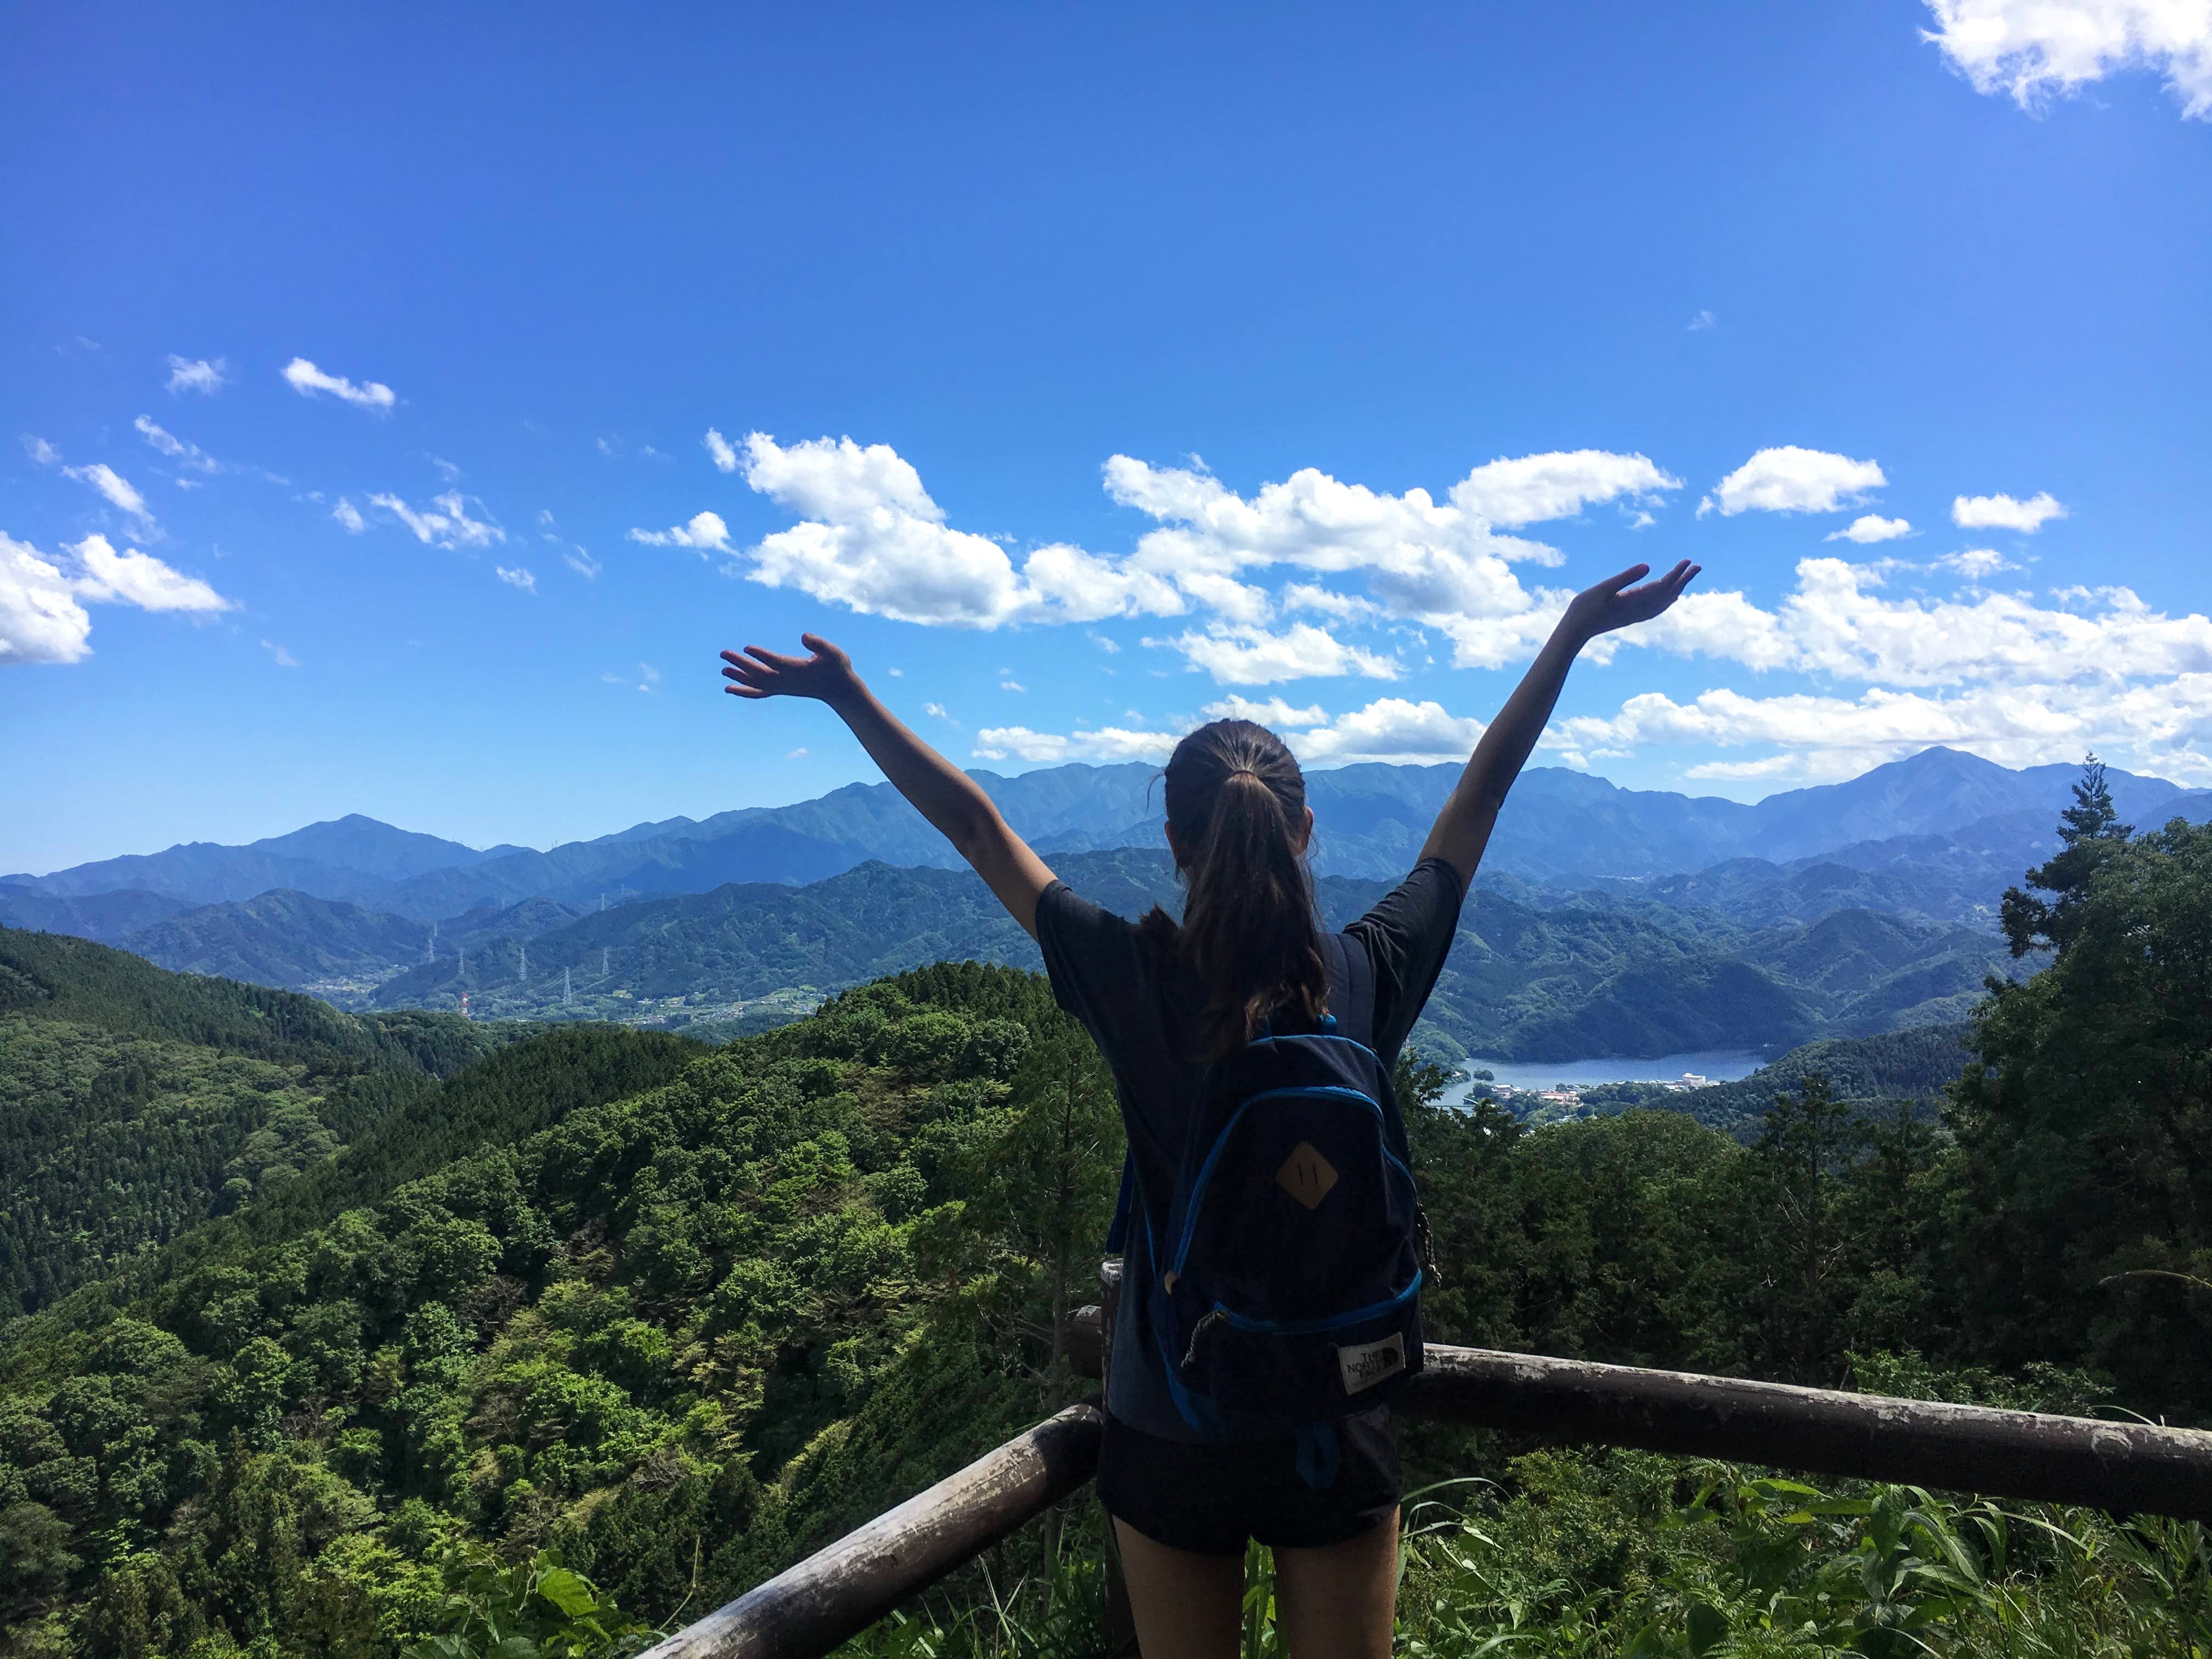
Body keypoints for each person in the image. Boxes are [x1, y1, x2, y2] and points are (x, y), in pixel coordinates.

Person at [720, 557, 1697, 1659]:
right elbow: (1474, 806)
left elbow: (979, 831)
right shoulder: (1366, 975)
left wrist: (849, 696)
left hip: (1173, 1416)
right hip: (1336, 1407)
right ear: (1308, 832)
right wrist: (1568, 637)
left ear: (1179, 846)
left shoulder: (1133, 978)